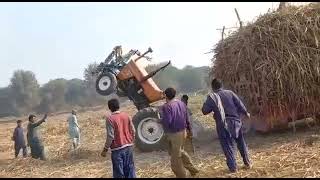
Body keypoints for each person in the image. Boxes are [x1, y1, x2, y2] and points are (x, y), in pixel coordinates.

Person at [201, 78, 252, 173]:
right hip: (236, 121)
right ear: (222, 85)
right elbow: (239, 104)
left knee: (228, 146)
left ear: (212, 87)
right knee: (241, 142)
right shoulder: (230, 93)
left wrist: (209, 103)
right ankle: (247, 163)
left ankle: (233, 168)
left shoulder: (212, 97)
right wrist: (246, 113)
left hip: (223, 124)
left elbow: (204, 111)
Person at [160, 88, 199, 178]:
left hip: (174, 134)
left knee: (175, 161)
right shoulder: (181, 103)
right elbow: (186, 117)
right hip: (183, 131)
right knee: (180, 151)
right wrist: (189, 129)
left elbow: (168, 122)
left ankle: (182, 176)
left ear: (165, 95)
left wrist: (160, 120)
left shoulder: (167, 106)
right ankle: (193, 170)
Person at [101, 98, 136, 178]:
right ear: (118, 106)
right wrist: (131, 141)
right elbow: (133, 130)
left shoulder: (110, 119)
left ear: (109, 108)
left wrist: (105, 149)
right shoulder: (126, 116)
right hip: (128, 147)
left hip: (117, 150)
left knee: (119, 173)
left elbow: (110, 136)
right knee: (130, 171)